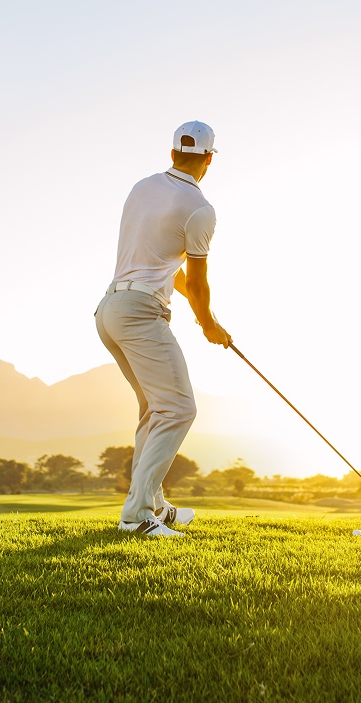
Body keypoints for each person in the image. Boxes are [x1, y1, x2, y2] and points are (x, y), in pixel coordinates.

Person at [95, 120, 232, 538]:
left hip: (109, 310)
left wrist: (206, 317)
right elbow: (195, 281)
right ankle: (136, 516)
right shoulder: (199, 209)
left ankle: (154, 503)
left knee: (155, 409)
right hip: (140, 314)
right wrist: (209, 323)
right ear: (210, 159)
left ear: (173, 154)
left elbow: (160, 267)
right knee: (179, 409)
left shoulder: (142, 188)